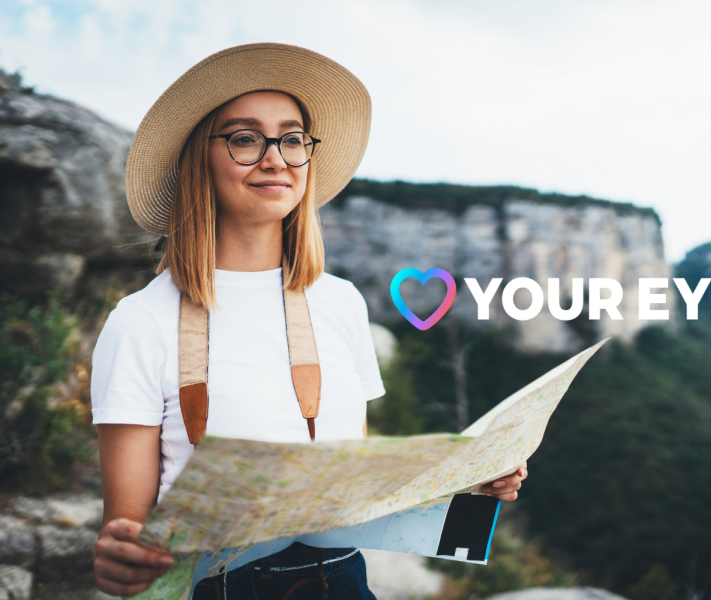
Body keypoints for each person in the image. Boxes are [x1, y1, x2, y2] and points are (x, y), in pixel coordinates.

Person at [90, 43, 528, 600]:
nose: (275, 158)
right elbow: (125, 532)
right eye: (245, 138)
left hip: (344, 580)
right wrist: (121, 560)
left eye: (292, 139)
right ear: (198, 158)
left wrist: (466, 483)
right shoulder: (141, 322)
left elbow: (355, 489)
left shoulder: (341, 302)